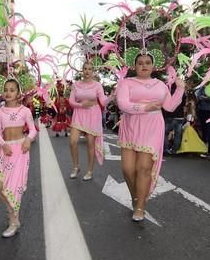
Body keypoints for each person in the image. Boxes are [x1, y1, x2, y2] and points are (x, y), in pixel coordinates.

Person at [116, 52, 185, 221]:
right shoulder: (126, 83)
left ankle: (140, 207)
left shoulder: (160, 85)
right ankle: (136, 196)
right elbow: (123, 104)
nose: (144, 65)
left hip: (152, 127)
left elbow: (169, 107)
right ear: (135, 66)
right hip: (130, 126)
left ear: (153, 66)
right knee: (127, 169)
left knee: (144, 168)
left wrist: (180, 88)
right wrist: (145, 107)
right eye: (140, 62)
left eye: (147, 62)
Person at [0, 79, 37, 237]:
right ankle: (12, 213)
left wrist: (28, 140)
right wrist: (3, 144)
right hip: (4, 150)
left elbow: (32, 130)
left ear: (18, 93)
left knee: (12, 188)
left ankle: (12, 220)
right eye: (6, 89)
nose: (8, 93)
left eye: (12, 90)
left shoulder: (25, 111)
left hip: (20, 151)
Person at [68, 61, 113, 180]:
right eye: (85, 68)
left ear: (93, 71)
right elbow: (71, 102)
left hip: (93, 115)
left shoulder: (98, 85)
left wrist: (112, 96)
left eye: (90, 69)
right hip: (79, 114)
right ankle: (76, 166)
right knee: (72, 141)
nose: (87, 71)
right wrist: (82, 105)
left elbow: (103, 102)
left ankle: (89, 171)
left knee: (90, 144)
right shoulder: (76, 85)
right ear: (82, 70)